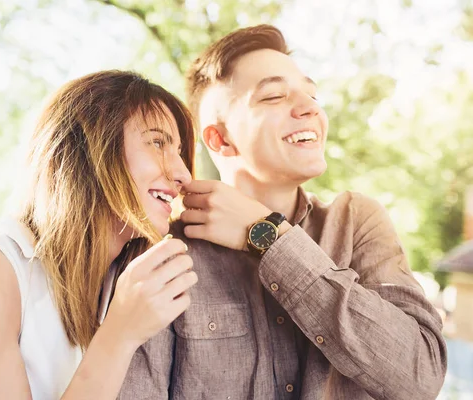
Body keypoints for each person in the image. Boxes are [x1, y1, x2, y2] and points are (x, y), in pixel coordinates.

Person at [118, 25, 447, 399]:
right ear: (220, 139)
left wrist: (267, 235)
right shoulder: (162, 253)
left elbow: (420, 377)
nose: (310, 108)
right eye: (274, 96)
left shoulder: (357, 222)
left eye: (312, 95)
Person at [0, 70, 199, 399]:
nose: (183, 174)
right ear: (89, 153)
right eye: (157, 142)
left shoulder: (122, 283)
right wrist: (119, 336)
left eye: (178, 151)